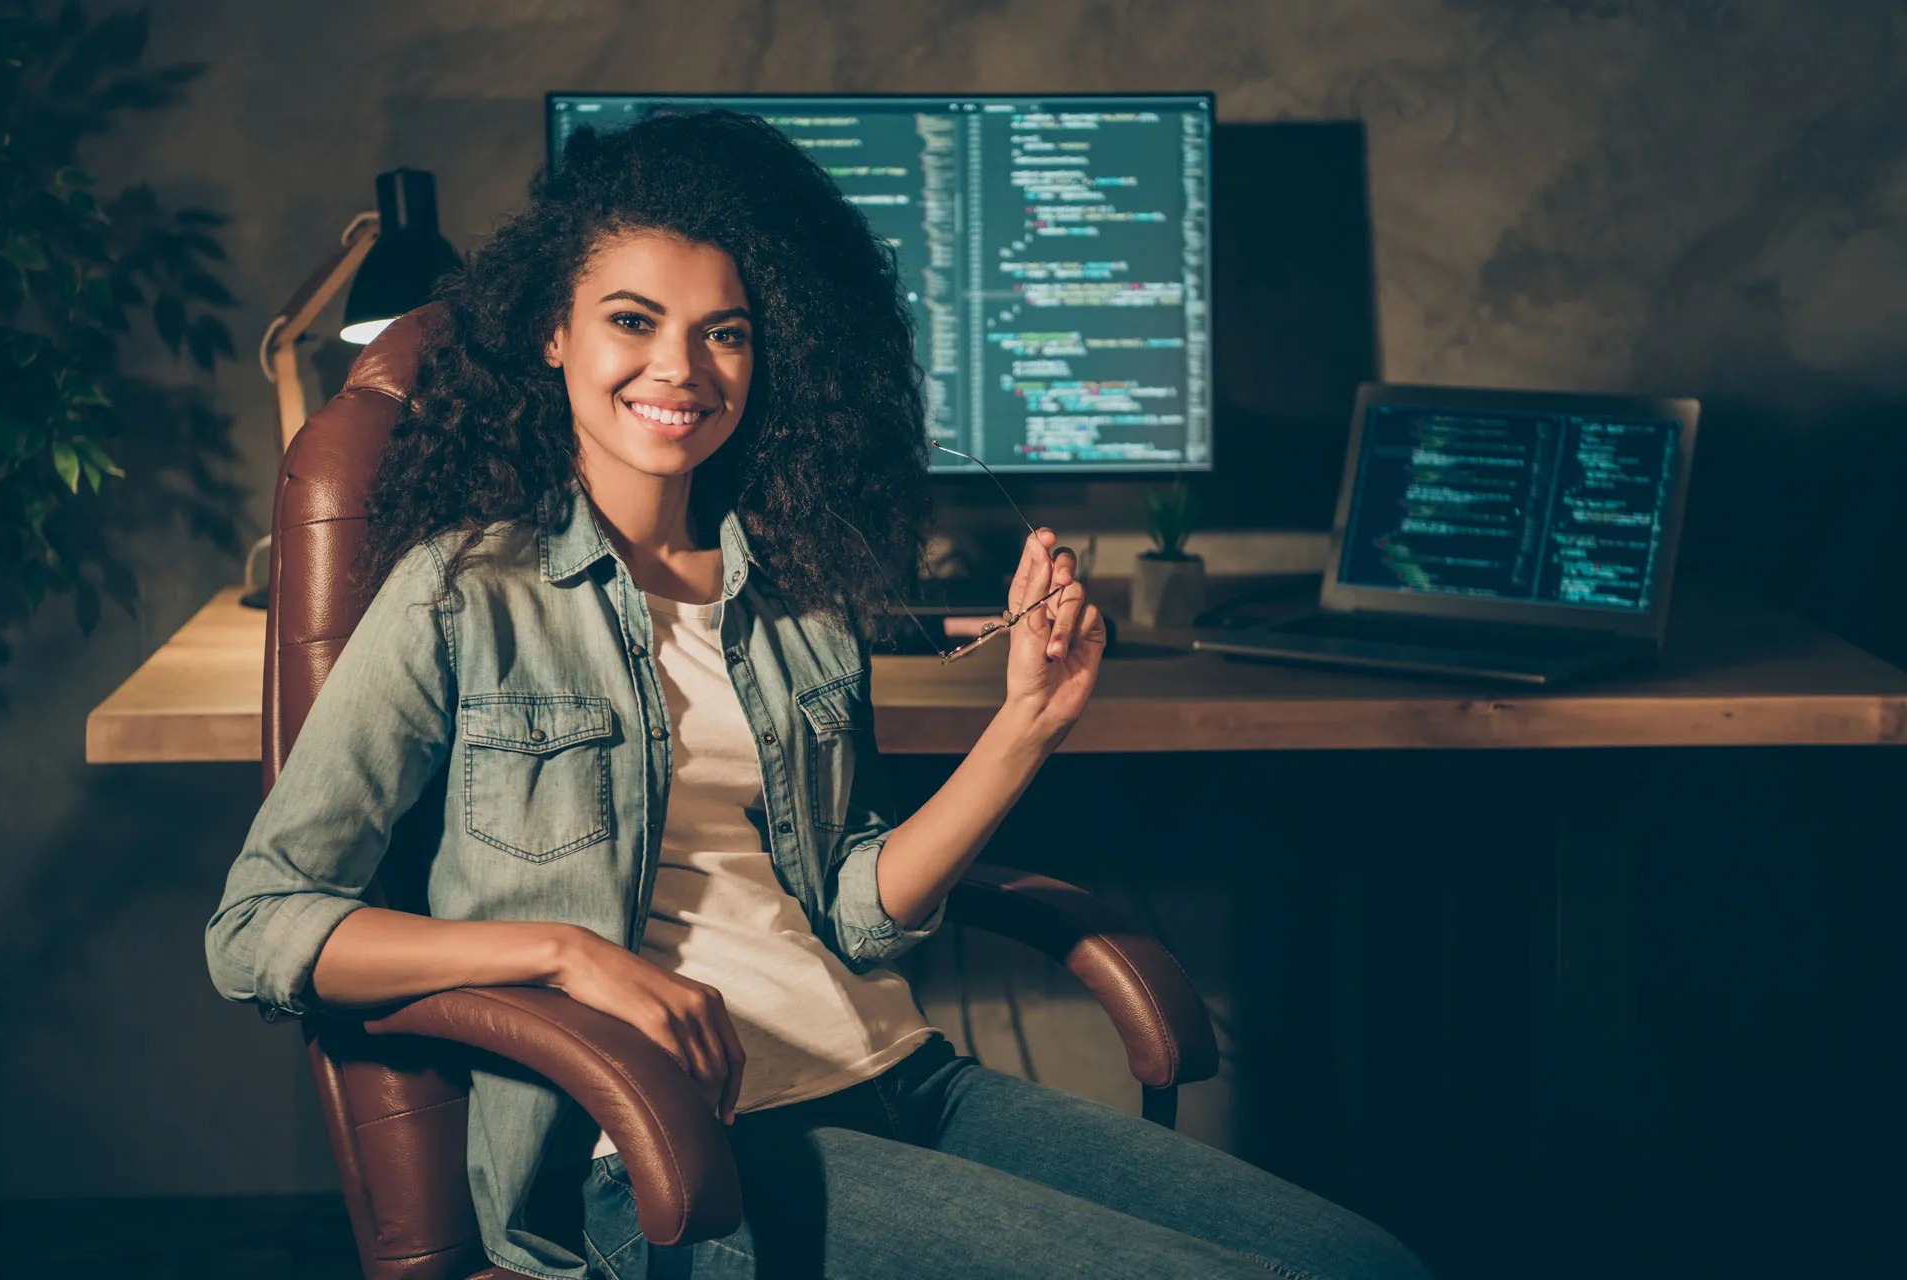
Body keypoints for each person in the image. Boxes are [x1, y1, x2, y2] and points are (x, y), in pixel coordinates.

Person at [205, 110, 1430, 1280]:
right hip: (670, 1143)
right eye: (633, 319)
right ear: (554, 334)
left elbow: (854, 908)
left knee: (1370, 1262)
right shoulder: (463, 594)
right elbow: (258, 923)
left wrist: (1027, 725)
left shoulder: (795, 598)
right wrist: (569, 955)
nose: (679, 368)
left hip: (899, 1072)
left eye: (725, 331)